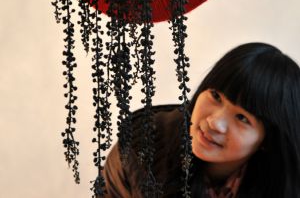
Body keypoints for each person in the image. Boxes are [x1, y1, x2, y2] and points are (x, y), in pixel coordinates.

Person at [103, 43, 300, 197]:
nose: (215, 122)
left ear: (268, 140)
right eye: (215, 96)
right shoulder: (144, 147)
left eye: (242, 118)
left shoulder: (283, 183)